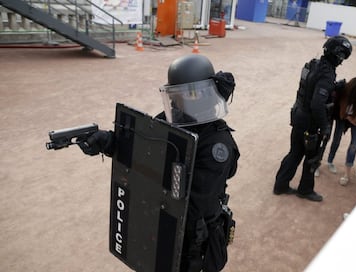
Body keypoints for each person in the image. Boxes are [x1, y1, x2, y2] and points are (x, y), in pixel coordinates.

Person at [78, 54, 240, 272]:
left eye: (183, 95)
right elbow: (145, 152)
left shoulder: (217, 146)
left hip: (191, 243)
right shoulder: (172, 119)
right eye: (173, 95)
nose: (175, 102)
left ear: (202, 93)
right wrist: (109, 142)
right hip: (161, 227)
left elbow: (191, 208)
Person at [272, 35, 353, 202]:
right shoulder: (327, 74)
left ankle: (280, 185)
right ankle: (305, 190)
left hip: (299, 116)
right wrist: (324, 127)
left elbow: (310, 88)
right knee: (311, 158)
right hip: (310, 123)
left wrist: (334, 86)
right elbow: (317, 104)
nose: (342, 61)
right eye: (342, 56)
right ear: (337, 55)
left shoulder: (313, 64)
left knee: (294, 153)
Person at [316, 77, 356, 185]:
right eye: (355, 92)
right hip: (338, 117)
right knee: (330, 138)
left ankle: (332, 162)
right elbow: (342, 113)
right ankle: (320, 163)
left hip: (351, 118)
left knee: (345, 141)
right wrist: (350, 118)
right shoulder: (343, 91)